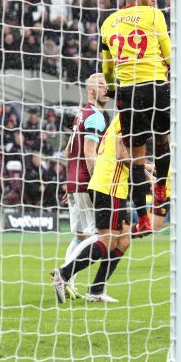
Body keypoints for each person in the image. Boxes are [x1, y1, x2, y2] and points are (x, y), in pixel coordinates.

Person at [99, 0, 171, 239]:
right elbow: (167, 49)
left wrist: (110, 87)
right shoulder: (154, 15)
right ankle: (161, 188)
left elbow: (107, 67)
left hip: (128, 93)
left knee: (136, 160)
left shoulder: (107, 23)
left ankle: (142, 219)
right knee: (163, 141)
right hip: (156, 86)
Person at [52, 114, 135, 304]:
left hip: (116, 186)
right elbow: (122, 155)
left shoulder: (120, 119)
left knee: (123, 239)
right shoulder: (126, 119)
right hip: (109, 186)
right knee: (105, 241)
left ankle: (96, 289)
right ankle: (64, 274)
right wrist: (144, 169)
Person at [60, 73, 109, 299]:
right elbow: (90, 153)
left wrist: (67, 180)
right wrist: (96, 182)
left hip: (72, 181)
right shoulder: (96, 116)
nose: (107, 89)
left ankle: (64, 281)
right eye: (101, 85)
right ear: (91, 90)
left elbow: (69, 150)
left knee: (80, 235)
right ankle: (64, 275)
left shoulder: (81, 114)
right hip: (85, 182)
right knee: (98, 236)